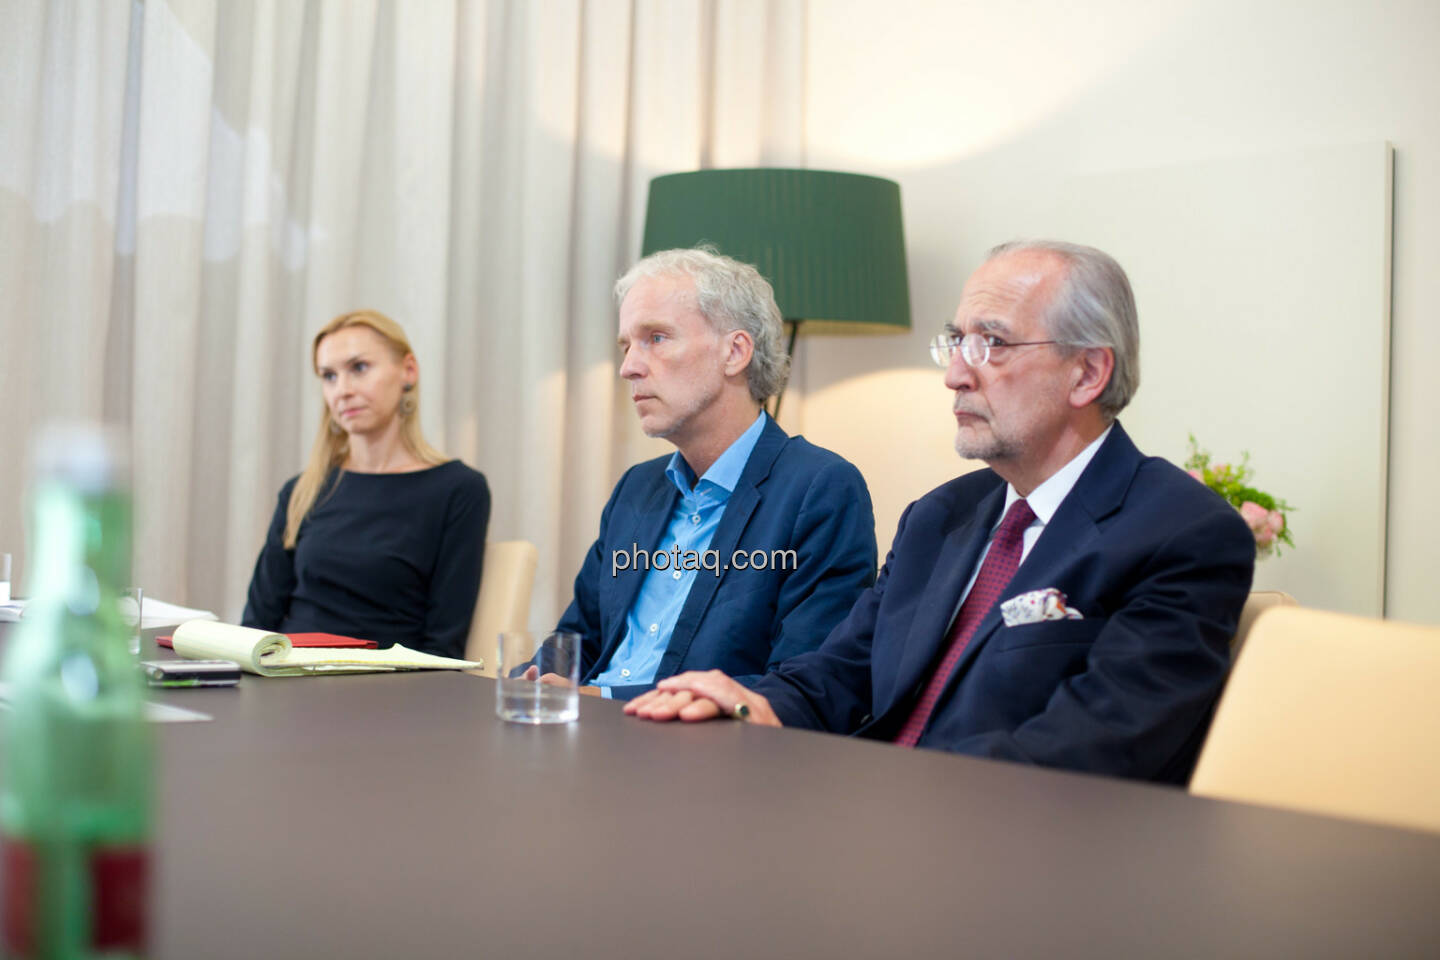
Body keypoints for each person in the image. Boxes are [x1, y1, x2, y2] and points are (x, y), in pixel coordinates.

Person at [626, 240, 1256, 784]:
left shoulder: (1184, 533)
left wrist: (873, 794)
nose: (955, 373)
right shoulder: (940, 516)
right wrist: (746, 705)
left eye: (993, 343)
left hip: (1015, 863)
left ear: (1087, 372)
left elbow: (1090, 751)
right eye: (957, 341)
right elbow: (840, 673)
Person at [548, 248, 877, 700]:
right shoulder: (636, 489)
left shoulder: (819, 488)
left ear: (735, 352)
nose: (629, 367)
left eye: (656, 338)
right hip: (585, 735)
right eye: (627, 345)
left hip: (699, 753)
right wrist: (538, 679)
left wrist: (606, 701)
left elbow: (806, 683)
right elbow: (578, 640)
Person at [243, 309, 490, 659]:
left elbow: (443, 645)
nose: (342, 391)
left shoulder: (458, 490)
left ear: (408, 371)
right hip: (284, 675)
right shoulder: (303, 489)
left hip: (382, 692)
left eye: (359, 368)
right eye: (329, 376)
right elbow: (256, 623)